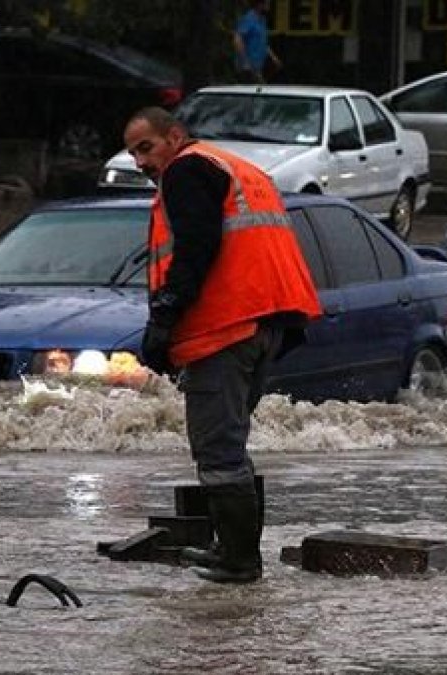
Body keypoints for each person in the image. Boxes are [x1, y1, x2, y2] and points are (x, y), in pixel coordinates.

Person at [123, 107, 321, 583]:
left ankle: (238, 560)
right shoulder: (239, 169)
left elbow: (196, 246)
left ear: (174, 137)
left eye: (145, 148)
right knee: (231, 444)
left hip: (226, 327)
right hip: (266, 322)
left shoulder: (187, 170)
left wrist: (166, 317)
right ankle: (233, 550)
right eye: (132, 154)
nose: (140, 163)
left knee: (218, 450)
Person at [233, 0, 281, 84]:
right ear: (259, 4)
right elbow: (238, 39)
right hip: (248, 67)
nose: (269, 5)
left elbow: (263, 43)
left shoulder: (262, 20)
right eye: (267, 2)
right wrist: (245, 61)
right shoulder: (249, 19)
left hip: (258, 65)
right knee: (260, 89)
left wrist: (273, 57)